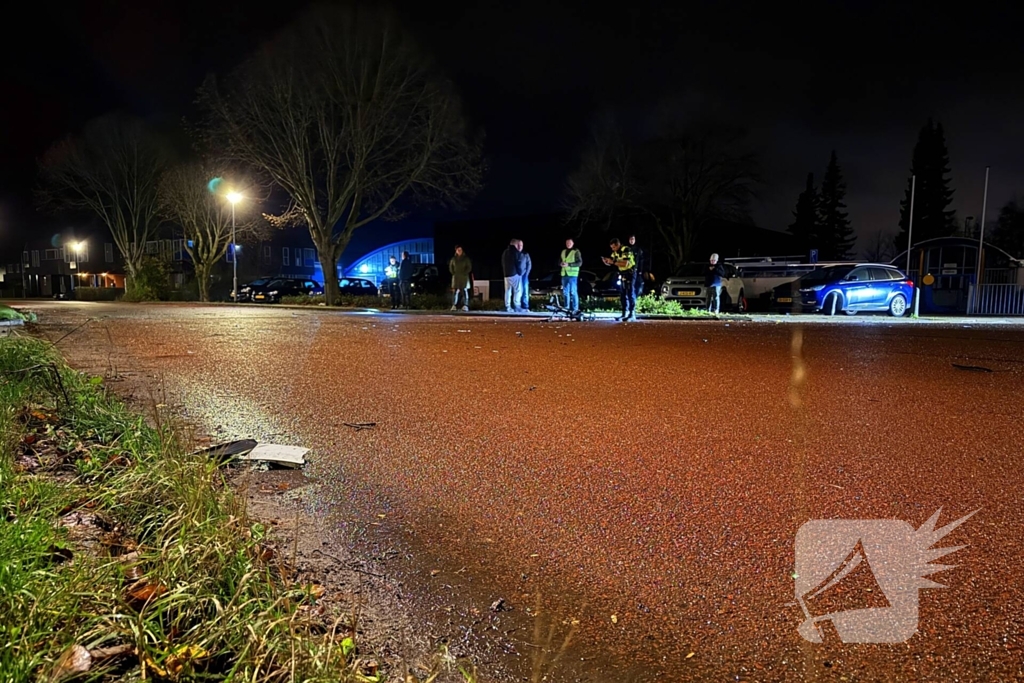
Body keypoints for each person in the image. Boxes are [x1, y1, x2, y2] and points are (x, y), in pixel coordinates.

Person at [602, 238, 636, 321]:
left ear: (618, 245)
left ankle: (632, 314)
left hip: (630, 273)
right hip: (622, 273)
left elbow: (625, 263)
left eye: (614, 247)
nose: (612, 249)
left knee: (630, 292)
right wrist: (607, 261)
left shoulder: (626, 250)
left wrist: (612, 262)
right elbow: (613, 262)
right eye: (611, 247)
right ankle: (624, 313)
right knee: (622, 293)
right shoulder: (615, 253)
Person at [501, 238, 525, 312]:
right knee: (518, 290)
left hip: (506, 275)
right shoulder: (516, 252)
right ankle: (517, 306)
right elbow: (518, 264)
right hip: (514, 274)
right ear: (515, 244)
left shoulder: (505, 252)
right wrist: (520, 273)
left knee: (507, 291)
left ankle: (507, 306)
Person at [559, 238, 582, 313]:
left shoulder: (576, 251)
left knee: (573, 292)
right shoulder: (563, 251)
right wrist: (560, 264)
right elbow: (559, 260)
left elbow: (579, 263)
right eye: (567, 243)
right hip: (564, 273)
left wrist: (569, 264)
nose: (568, 244)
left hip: (572, 274)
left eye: (569, 243)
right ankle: (566, 308)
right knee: (565, 292)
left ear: (573, 243)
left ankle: (575, 309)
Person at [449, 245, 472, 312]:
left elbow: (469, 267)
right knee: (455, 292)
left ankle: (465, 305)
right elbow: (451, 267)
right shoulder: (453, 259)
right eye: (458, 250)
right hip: (456, 278)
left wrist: (464, 273)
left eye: (460, 250)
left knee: (464, 291)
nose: (459, 251)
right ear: (456, 251)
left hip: (464, 278)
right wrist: (454, 273)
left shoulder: (466, 259)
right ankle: (454, 305)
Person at [628, 234, 645, 300]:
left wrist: (640, 271)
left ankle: (635, 299)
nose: (632, 240)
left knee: (636, 285)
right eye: (630, 239)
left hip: (635, 270)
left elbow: (641, 261)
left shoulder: (638, 250)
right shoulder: (626, 249)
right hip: (627, 270)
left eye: (633, 239)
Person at [518, 240, 532, 311]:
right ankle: (518, 307)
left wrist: (526, 274)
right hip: (516, 276)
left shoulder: (525, 254)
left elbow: (529, 264)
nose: (520, 247)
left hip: (524, 276)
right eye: (518, 245)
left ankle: (525, 307)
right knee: (517, 292)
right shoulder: (514, 254)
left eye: (521, 245)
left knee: (525, 291)